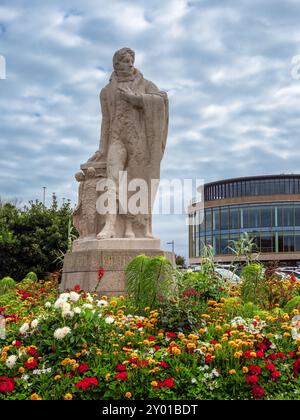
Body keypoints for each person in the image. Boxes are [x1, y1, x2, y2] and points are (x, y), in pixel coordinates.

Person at [89, 47, 169, 239]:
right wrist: (101, 148)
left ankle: (133, 227)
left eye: (132, 60)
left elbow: (162, 100)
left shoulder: (145, 84)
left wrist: (137, 100)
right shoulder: (106, 91)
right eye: (125, 60)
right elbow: (106, 121)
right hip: (116, 140)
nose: (130, 63)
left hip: (138, 141)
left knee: (135, 184)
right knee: (112, 180)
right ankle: (109, 225)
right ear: (116, 64)